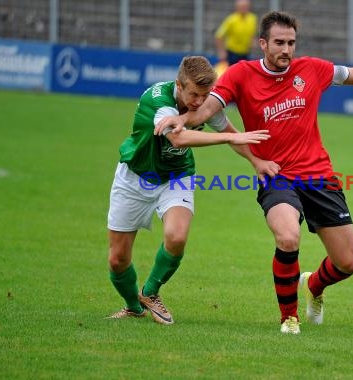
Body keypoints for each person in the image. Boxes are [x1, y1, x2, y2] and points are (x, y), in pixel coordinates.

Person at [155, 11, 353, 334]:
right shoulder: (240, 74)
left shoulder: (312, 69)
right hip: (275, 175)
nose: (286, 50)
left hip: (318, 175)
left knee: (347, 263)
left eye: (291, 43)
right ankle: (290, 317)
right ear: (263, 44)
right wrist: (183, 119)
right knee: (287, 236)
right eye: (279, 43)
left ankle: (313, 285)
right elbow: (210, 108)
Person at [106, 56, 274, 324]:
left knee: (177, 236)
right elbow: (178, 136)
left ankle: (150, 293)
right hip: (135, 177)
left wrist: (257, 162)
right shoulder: (157, 99)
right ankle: (133, 308)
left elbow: (231, 132)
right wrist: (229, 137)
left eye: (205, 95)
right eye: (193, 94)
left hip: (176, 176)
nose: (198, 102)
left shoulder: (206, 105)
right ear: (179, 85)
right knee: (117, 259)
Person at [215, 0, 257, 66]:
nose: (244, 8)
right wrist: (222, 52)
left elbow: (253, 32)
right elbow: (219, 36)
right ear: (237, 7)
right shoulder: (231, 20)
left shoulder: (252, 18)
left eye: (246, 6)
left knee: (246, 73)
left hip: (246, 52)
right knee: (234, 73)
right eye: (242, 7)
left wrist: (253, 41)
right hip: (233, 53)